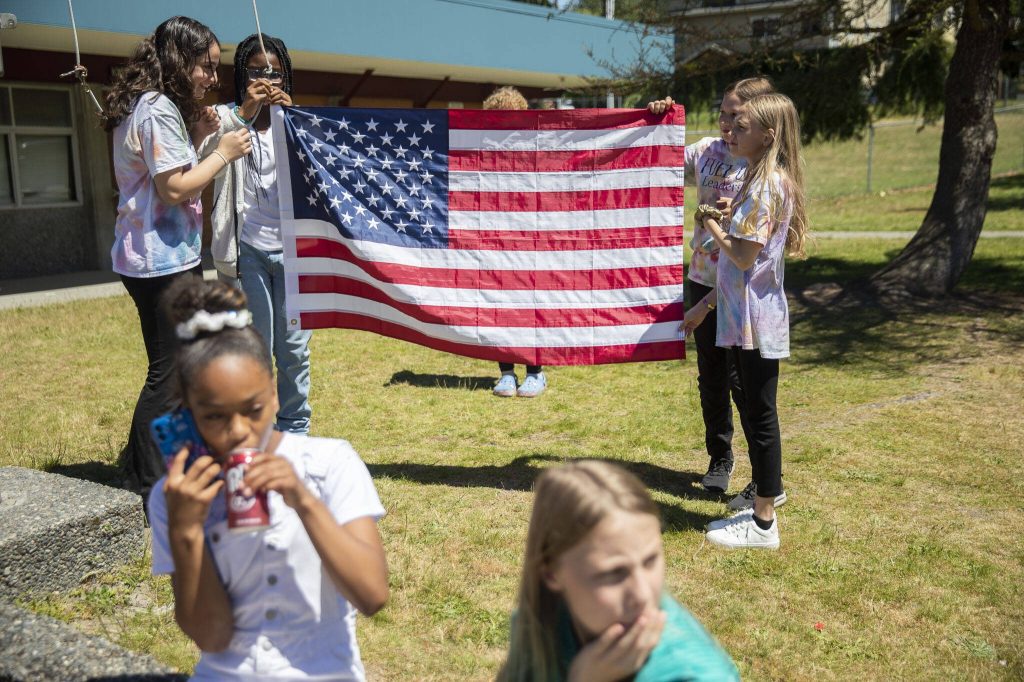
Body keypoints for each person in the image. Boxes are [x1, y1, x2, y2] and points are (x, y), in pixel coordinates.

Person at [148, 277, 388, 680]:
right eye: (214, 417)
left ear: (275, 394)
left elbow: (372, 595)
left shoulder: (328, 463)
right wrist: (187, 529)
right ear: (188, 412)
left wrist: (303, 499)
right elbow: (212, 636)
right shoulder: (174, 495)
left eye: (254, 409)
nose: (239, 430)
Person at [103, 16, 252, 504]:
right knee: (169, 374)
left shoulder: (151, 105)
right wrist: (225, 151)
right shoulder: (158, 108)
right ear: (177, 60)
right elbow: (172, 188)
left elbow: (165, 171)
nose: (213, 77)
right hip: (161, 261)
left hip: (151, 256)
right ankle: (150, 488)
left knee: (169, 366)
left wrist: (196, 133)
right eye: (205, 67)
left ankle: (138, 467)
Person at [651, 79, 787, 510]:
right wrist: (659, 116)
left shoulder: (760, 169)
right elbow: (662, 152)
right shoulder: (707, 151)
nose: (727, 124)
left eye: (736, 117)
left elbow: (746, 254)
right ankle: (721, 458)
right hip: (707, 279)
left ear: (758, 122)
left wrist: (710, 222)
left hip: (741, 291)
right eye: (724, 114)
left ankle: (765, 481)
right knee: (712, 376)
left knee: (745, 386)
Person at [686, 93, 809, 549]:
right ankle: (763, 500)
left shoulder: (762, 185)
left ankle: (762, 523)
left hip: (754, 319)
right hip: (748, 315)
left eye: (742, 127)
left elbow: (740, 257)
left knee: (759, 417)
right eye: (731, 125)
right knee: (758, 412)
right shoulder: (766, 179)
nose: (731, 132)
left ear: (767, 137)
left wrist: (710, 223)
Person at [497, 460, 739, 681]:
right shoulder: (541, 622)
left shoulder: (689, 674)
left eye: (651, 560)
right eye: (613, 573)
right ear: (551, 573)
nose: (643, 595)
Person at [199, 33, 313, 435]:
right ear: (241, 74)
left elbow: (317, 174)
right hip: (247, 249)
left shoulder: (296, 119)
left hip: (295, 252)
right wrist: (246, 110)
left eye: (275, 72)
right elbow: (203, 153)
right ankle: (259, 429)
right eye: (257, 70)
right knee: (256, 347)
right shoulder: (225, 116)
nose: (267, 78)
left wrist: (297, 120)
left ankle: (295, 429)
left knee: (295, 349)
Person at [483, 86, 548, 399]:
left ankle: (536, 372)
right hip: (496, 242)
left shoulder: (536, 151)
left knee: (530, 308)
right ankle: (506, 373)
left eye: (511, 118)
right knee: (500, 308)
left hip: (530, 242)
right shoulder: (483, 152)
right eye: (498, 119)